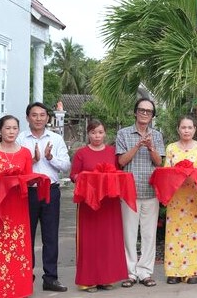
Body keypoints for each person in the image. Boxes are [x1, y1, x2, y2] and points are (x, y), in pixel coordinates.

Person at [0, 115, 36, 298]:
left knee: (18, 247)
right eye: (7, 128)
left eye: (14, 128)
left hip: (18, 206)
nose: (11, 131)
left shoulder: (25, 153)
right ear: (0, 130)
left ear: (19, 130)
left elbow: (28, 179)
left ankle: (18, 290)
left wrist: (30, 182)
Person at [17, 102, 71, 292]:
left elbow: (66, 166)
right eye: (34, 115)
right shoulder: (20, 139)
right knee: (26, 236)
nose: (38, 118)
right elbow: (15, 168)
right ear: (27, 118)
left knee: (50, 236)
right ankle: (25, 277)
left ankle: (50, 278)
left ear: (48, 118)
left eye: (42, 115)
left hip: (50, 191)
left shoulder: (56, 139)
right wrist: (31, 162)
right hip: (27, 192)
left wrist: (50, 158)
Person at [70, 119, 128, 292]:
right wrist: (81, 178)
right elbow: (74, 175)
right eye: (94, 132)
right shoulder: (81, 153)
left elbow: (118, 173)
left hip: (109, 203)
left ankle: (106, 278)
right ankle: (88, 280)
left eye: (100, 132)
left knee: (108, 240)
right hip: (88, 203)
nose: (97, 136)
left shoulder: (112, 152)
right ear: (88, 134)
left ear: (105, 134)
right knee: (89, 242)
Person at [116, 98, 165, 288]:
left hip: (150, 190)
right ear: (135, 112)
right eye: (142, 110)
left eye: (149, 111)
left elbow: (158, 162)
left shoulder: (157, 135)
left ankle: (145, 272)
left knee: (148, 234)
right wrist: (137, 145)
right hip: (129, 191)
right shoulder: (123, 133)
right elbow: (121, 162)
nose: (145, 114)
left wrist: (151, 146)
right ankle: (130, 273)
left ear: (152, 116)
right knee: (129, 234)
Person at [163, 115, 197, 285]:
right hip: (176, 198)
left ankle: (193, 271)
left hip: (194, 198)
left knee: (193, 233)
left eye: (190, 127)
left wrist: (191, 172)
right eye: (183, 127)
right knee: (174, 234)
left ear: (195, 130)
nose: (187, 131)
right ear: (178, 129)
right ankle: (174, 272)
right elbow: (166, 172)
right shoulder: (171, 148)